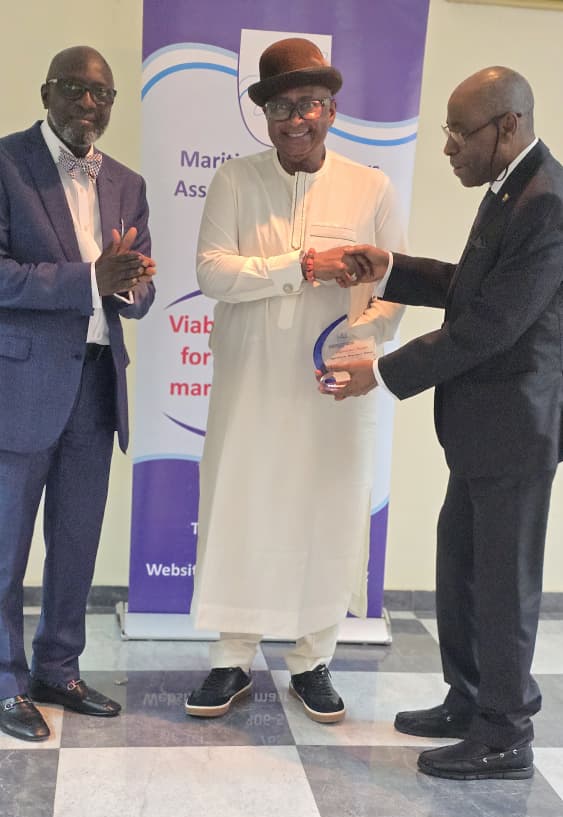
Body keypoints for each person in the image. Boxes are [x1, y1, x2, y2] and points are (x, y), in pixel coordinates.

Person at [323, 66, 563, 777]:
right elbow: (472, 286)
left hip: (516, 428)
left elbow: (492, 324)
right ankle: (469, 700)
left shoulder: (547, 203)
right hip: (484, 427)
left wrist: (382, 370)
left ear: (507, 126)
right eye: (446, 131)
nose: (449, 147)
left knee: (504, 583)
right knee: (462, 566)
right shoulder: (511, 188)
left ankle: (505, 733)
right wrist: (389, 266)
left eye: (460, 133)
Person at [185, 37, 405, 723]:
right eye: (280, 107)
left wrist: (361, 348)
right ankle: (232, 656)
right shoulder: (235, 180)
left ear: (331, 110)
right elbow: (211, 271)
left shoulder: (370, 187)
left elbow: (394, 288)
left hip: (328, 389)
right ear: (265, 115)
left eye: (308, 104)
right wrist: (302, 266)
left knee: (326, 508)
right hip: (250, 379)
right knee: (241, 502)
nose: (295, 119)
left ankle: (313, 659)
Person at [0, 46, 156, 741]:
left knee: (75, 543)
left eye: (101, 94)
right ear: (45, 93)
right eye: (73, 89)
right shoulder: (7, 164)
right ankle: (5, 683)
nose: (88, 104)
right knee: (5, 548)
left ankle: (57, 670)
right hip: (21, 386)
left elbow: (138, 287)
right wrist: (90, 279)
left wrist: (130, 285)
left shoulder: (126, 182)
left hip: (96, 383)